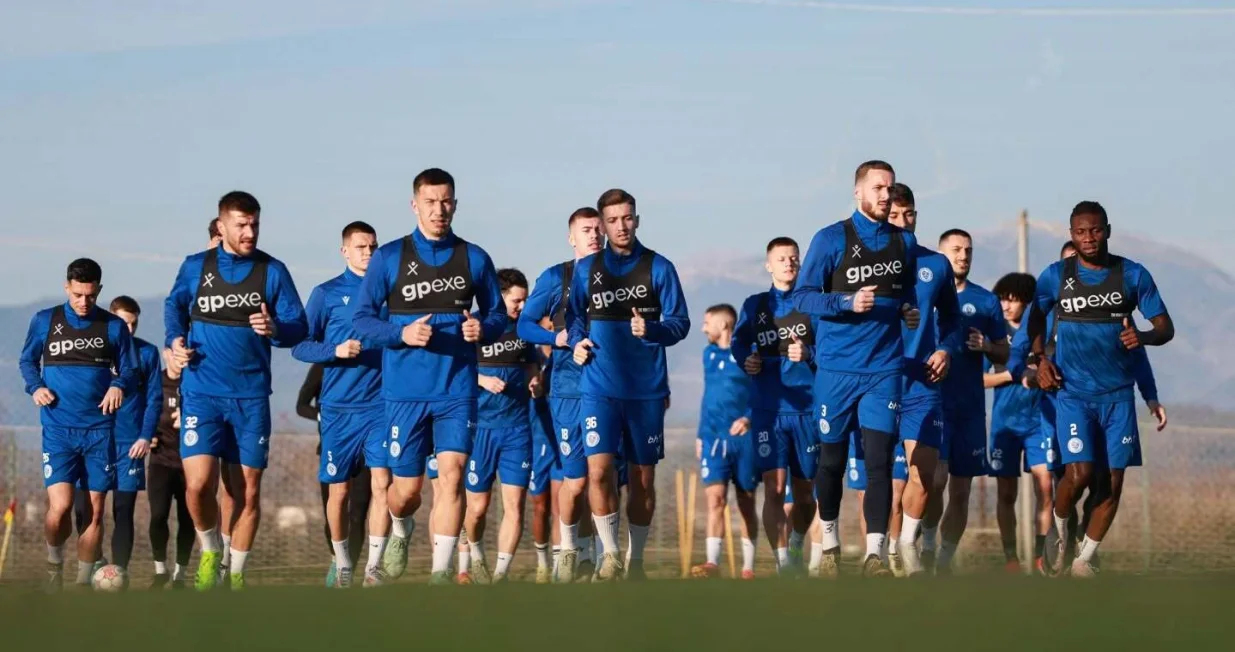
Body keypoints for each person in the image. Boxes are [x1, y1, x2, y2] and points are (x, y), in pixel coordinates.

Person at [352, 168, 507, 585]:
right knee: (406, 492)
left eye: (446, 201)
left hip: (457, 389)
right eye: (431, 202)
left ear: (455, 204)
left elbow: (497, 314)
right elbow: (362, 320)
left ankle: (440, 576)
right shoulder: (389, 257)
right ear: (414, 205)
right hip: (405, 393)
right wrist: (400, 334)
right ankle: (401, 528)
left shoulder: (474, 257)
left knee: (452, 476)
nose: (440, 210)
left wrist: (482, 328)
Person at [165, 190, 308, 591]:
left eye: (255, 224)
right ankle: (211, 550)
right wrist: (174, 339)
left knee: (245, 492)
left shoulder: (272, 271)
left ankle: (236, 574)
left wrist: (275, 328)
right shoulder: (196, 266)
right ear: (221, 225)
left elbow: (299, 326)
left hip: (251, 397)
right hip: (202, 392)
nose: (249, 232)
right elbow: (174, 307)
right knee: (198, 485)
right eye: (241, 225)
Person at [1027, 203, 1173, 577]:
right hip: (1073, 394)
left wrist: (1142, 336)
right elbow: (1035, 319)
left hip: (1118, 397)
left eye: (1095, 230)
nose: (1089, 238)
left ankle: (1085, 558)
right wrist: (1040, 360)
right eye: (1081, 232)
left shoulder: (1132, 274)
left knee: (1111, 484)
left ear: (1107, 230)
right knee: (1078, 474)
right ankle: (1059, 531)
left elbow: (1164, 327)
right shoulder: (1056, 276)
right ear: (1071, 235)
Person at [790, 161, 920, 577]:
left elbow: (906, 291)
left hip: (884, 370)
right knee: (831, 462)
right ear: (858, 192)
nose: (885, 195)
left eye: (890, 188)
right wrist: (846, 302)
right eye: (878, 188)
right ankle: (829, 542)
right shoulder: (830, 238)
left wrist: (908, 308)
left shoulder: (905, 242)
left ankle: (875, 556)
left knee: (878, 462)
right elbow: (802, 297)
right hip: (837, 370)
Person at [567, 188, 691, 581]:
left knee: (642, 481)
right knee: (598, 471)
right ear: (602, 226)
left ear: (637, 219)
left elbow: (680, 324)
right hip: (598, 388)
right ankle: (610, 554)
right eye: (613, 220)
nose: (621, 226)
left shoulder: (659, 267)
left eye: (627, 218)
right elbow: (574, 317)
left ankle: (635, 563)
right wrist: (576, 342)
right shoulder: (586, 270)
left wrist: (651, 329)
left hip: (645, 392)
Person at [19, 258, 138, 592]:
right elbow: (27, 360)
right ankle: (54, 566)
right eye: (77, 295)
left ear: (99, 290)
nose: (84, 302)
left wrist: (118, 385)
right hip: (58, 430)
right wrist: (36, 386)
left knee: (96, 513)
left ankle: (83, 583)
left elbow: (130, 370)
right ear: (67, 287)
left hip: (99, 432)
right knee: (60, 508)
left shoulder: (113, 326)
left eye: (90, 295)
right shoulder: (45, 321)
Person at [292, 221, 388, 588]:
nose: (368, 253)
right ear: (344, 251)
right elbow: (301, 346)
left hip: (381, 407)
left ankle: (374, 567)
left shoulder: (389, 293)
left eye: (373, 247)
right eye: (361, 247)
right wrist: (335, 350)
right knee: (339, 491)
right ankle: (343, 563)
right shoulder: (326, 293)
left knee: (383, 484)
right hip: (338, 410)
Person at [517, 206, 604, 583]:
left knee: (603, 478)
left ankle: (602, 557)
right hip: (568, 391)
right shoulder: (557, 277)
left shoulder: (624, 276)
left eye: (598, 229)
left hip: (611, 392)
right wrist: (557, 338)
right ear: (571, 237)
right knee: (577, 481)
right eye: (586, 230)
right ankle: (568, 549)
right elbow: (524, 325)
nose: (594, 235)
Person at [732, 237, 820, 576]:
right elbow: (740, 343)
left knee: (804, 494)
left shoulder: (813, 304)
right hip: (768, 411)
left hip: (807, 411)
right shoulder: (755, 305)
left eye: (794, 258)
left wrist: (808, 353)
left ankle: (796, 542)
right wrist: (747, 360)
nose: (789, 263)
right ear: (769, 265)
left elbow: (830, 347)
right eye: (782, 258)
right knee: (774, 488)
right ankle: (784, 564)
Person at [931, 228, 1008, 575]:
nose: (963, 256)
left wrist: (988, 347)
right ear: (941, 255)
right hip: (934, 405)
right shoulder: (927, 297)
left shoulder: (986, 301)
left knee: (961, 491)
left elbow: (1004, 353)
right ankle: (924, 544)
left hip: (970, 410)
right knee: (935, 482)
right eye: (956, 250)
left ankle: (943, 563)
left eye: (968, 251)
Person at [72, 296, 161, 586]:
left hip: (128, 446)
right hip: (92, 441)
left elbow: (154, 399)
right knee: (83, 510)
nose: (129, 329)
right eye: (124, 323)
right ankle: (94, 562)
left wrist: (145, 436)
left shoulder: (147, 353)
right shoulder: (91, 349)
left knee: (123, 511)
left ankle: (118, 574)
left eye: (134, 324)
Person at [465, 268, 538, 583]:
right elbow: (452, 369)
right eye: (516, 300)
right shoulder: (473, 325)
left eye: (525, 300)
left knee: (515, 506)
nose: (522, 306)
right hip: (480, 429)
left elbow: (532, 363)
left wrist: (535, 380)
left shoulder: (524, 328)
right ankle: (476, 555)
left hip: (517, 429)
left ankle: (500, 575)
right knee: (477, 508)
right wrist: (482, 379)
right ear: (498, 297)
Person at [984, 273, 1054, 574]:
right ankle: (1011, 559)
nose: (1005, 306)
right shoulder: (994, 335)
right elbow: (979, 379)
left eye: (1012, 300)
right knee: (1006, 493)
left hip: (1039, 423)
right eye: (1002, 299)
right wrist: (1015, 374)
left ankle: (1041, 558)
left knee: (1046, 488)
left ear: (1027, 303)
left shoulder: (1042, 332)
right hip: (1005, 426)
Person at [691, 304, 758, 579]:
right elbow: (708, 397)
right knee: (715, 499)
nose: (703, 328)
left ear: (724, 325)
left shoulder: (748, 354)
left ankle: (748, 567)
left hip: (744, 440)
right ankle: (712, 563)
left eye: (707, 323)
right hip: (713, 439)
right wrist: (700, 434)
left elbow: (762, 391)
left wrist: (749, 418)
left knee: (746, 502)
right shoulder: (707, 354)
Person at [147, 348, 195, 589]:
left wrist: (188, 418)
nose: (180, 359)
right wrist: (147, 436)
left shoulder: (195, 382)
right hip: (161, 461)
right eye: (176, 354)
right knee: (158, 516)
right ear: (166, 354)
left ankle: (180, 575)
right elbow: (141, 412)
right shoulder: (154, 383)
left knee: (188, 519)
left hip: (190, 463)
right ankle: (160, 571)